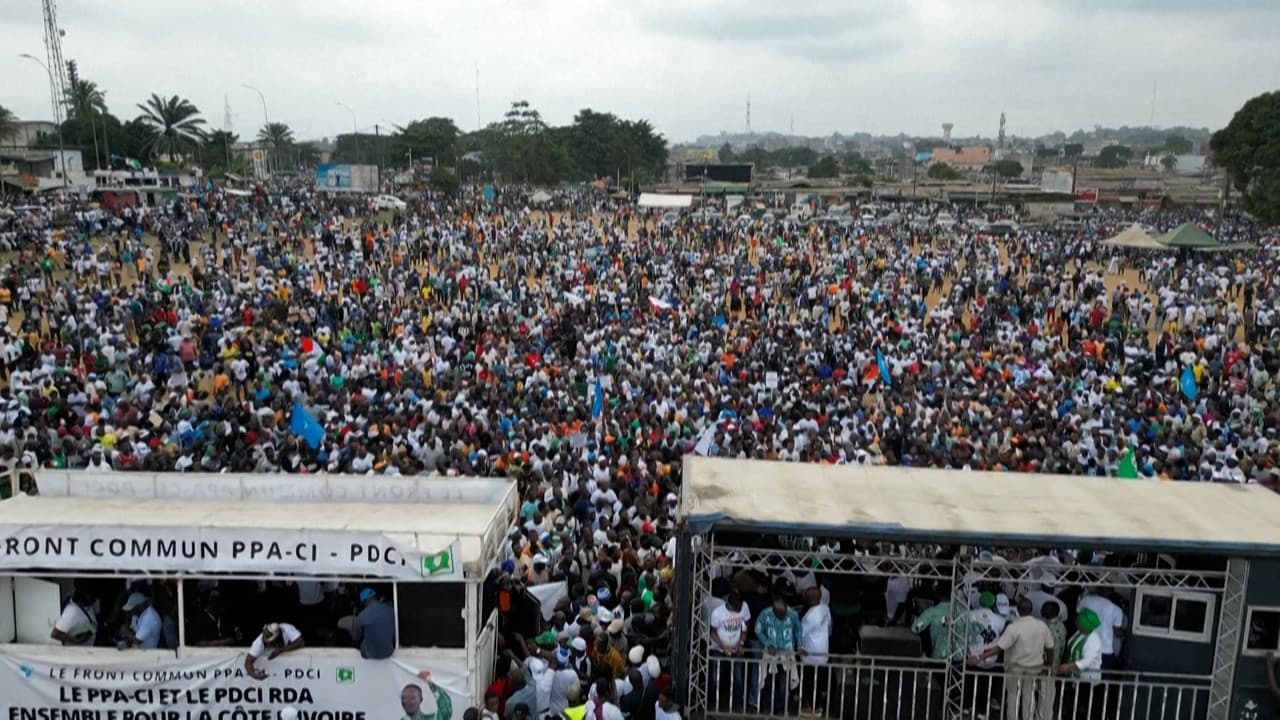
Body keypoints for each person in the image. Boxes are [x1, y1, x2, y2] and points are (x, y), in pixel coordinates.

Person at [971, 597, 1054, 720]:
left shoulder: (1013, 627)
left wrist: (979, 657)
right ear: (1031, 610)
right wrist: (1049, 664)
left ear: (1017, 610)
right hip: (1034, 668)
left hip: (1015, 668)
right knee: (1029, 696)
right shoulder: (1042, 626)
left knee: (1013, 696)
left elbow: (999, 648)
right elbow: (1050, 647)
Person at [755, 594, 804, 714]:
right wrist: (768, 643)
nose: (781, 616)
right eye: (778, 614)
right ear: (774, 609)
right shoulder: (765, 614)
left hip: (786, 654)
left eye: (783, 614)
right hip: (771, 654)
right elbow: (758, 629)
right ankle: (766, 708)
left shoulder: (793, 614)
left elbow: (798, 629)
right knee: (768, 683)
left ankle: (781, 709)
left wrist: (800, 644)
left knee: (783, 684)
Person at [1058, 608, 1104, 718]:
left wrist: (1068, 666)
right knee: (1073, 707)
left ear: (1084, 625)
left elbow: (1087, 661)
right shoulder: (1080, 633)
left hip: (1088, 681)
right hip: (1075, 678)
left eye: (1078, 622)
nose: (1076, 623)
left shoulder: (1093, 640)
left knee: (1086, 709)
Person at [708, 590, 750, 711]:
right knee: (715, 679)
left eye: (740, 606)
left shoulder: (744, 607)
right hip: (718, 650)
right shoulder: (718, 613)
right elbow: (713, 632)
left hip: (736, 650)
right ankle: (713, 705)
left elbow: (745, 628)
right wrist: (723, 646)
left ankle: (737, 706)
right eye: (737, 607)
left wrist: (741, 643)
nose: (739, 609)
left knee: (738, 679)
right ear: (730, 605)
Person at [798, 586, 831, 716]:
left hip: (810, 656)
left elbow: (799, 635)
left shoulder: (808, 618)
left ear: (807, 599)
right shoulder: (825, 609)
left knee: (810, 683)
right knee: (819, 682)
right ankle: (818, 707)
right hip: (823, 653)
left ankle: (812, 708)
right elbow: (829, 627)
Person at [1077, 588, 1125, 669]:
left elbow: (1077, 618)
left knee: (1082, 674)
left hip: (1085, 646)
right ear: (1111, 592)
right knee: (1103, 675)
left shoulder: (1085, 600)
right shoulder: (1117, 610)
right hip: (1105, 650)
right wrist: (1125, 633)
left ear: (1097, 590)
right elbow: (1117, 632)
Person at [353, 587, 396, 659]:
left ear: (364, 601)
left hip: (370, 654)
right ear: (375, 596)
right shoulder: (390, 609)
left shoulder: (362, 615)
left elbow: (357, 636)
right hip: (388, 652)